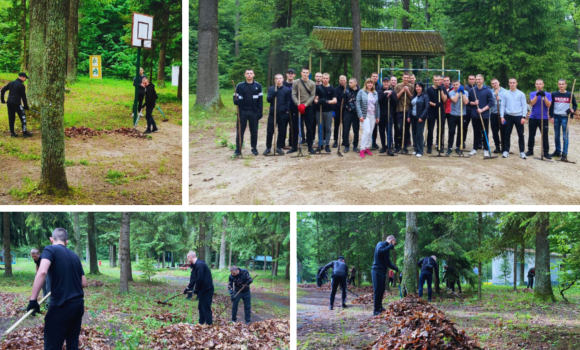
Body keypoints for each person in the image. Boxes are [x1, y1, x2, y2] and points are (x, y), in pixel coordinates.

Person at [27, 228, 87, 350]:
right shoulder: (75, 256)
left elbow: (42, 271)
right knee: (72, 345)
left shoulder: (50, 249)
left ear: (51, 239)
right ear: (67, 241)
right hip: (78, 306)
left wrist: (33, 300)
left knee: (52, 346)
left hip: (61, 305)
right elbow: (84, 283)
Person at [233, 69, 263, 156]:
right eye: (247, 73)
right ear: (245, 75)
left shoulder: (258, 86)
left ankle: (254, 148)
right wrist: (236, 101)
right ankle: (238, 149)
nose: (249, 75)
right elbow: (235, 96)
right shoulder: (240, 86)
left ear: (253, 75)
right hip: (242, 112)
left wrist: (260, 112)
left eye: (251, 73)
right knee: (240, 131)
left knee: (254, 131)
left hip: (254, 112)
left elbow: (260, 100)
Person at [549, 79, 577, 161]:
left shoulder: (570, 94)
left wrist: (572, 112)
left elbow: (574, 105)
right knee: (557, 135)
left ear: (565, 85)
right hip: (556, 116)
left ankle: (564, 153)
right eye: (560, 84)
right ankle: (558, 151)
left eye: (562, 84)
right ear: (558, 85)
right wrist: (551, 116)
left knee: (565, 136)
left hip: (565, 117)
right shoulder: (554, 94)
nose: (561, 86)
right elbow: (551, 106)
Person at [184, 251, 214, 325]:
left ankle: (209, 325)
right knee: (201, 307)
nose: (188, 259)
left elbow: (200, 279)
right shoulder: (195, 265)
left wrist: (196, 289)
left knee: (206, 308)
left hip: (207, 290)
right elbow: (194, 279)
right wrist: (188, 288)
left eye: (188, 258)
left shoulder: (200, 264)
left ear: (191, 257)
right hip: (202, 290)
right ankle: (201, 323)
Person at [500, 78, 528, 159]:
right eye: (510, 83)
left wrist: (523, 117)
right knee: (507, 134)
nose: (512, 84)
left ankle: (522, 152)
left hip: (518, 116)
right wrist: (502, 116)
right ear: (509, 84)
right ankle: (506, 151)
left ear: (516, 83)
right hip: (508, 116)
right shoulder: (506, 94)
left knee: (520, 134)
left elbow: (524, 106)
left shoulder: (521, 94)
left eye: (513, 83)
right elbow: (502, 105)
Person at [264, 74, 291, 155]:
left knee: (282, 131)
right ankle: (268, 148)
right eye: (277, 79)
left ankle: (279, 147)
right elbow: (268, 100)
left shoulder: (286, 89)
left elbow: (288, 101)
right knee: (270, 131)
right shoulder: (272, 89)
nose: (279, 80)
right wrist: (273, 95)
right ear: (275, 80)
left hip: (282, 113)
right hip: (273, 113)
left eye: (280, 78)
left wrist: (287, 111)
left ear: (283, 79)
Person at [468, 74, 494, 157]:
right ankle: (475, 148)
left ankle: (486, 149)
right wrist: (473, 103)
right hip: (475, 115)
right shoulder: (472, 90)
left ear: (482, 80)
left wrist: (482, 109)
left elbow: (491, 102)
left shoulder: (488, 90)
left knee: (485, 132)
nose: (478, 81)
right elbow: (468, 102)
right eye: (477, 79)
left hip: (484, 115)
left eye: (479, 79)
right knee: (476, 133)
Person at [371, 235, 398, 315]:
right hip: (376, 271)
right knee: (377, 290)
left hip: (382, 271)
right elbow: (379, 252)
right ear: (391, 240)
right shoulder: (380, 244)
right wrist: (390, 246)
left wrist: (395, 268)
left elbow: (388, 262)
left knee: (382, 290)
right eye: (394, 243)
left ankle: (380, 306)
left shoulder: (387, 250)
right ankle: (375, 310)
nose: (394, 246)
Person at [292, 67, 317, 154]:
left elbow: (312, 96)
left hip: (308, 107)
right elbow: (293, 94)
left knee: (309, 127)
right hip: (298, 106)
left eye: (307, 73)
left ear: (309, 74)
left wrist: (305, 105)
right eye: (304, 72)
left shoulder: (312, 83)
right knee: (296, 127)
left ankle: (310, 146)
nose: (305, 74)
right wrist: (298, 104)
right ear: (301, 73)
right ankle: (294, 146)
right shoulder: (296, 82)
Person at [1, 72, 32, 137]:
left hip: (9, 103)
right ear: (22, 77)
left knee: (11, 118)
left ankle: (12, 133)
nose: (25, 80)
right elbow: (23, 97)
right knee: (23, 117)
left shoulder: (11, 83)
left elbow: (3, 90)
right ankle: (25, 133)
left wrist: (2, 100)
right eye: (25, 78)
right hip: (17, 104)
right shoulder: (21, 85)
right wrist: (26, 106)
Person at [527, 79, 552, 158]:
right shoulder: (532, 93)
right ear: (535, 85)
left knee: (544, 135)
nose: (538, 85)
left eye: (540, 84)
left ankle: (546, 152)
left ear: (543, 85)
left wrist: (544, 96)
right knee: (531, 134)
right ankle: (530, 150)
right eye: (537, 84)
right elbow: (532, 103)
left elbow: (548, 105)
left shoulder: (548, 94)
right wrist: (537, 95)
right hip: (533, 117)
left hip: (543, 118)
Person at [356, 78, 380, 158]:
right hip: (365, 115)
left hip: (373, 115)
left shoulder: (375, 93)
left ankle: (367, 147)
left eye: (371, 83)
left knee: (370, 133)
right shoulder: (361, 92)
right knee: (366, 131)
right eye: (368, 83)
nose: (370, 84)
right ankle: (362, 149)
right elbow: (358, 104)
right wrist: (360, 115)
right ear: (366, 84)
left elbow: (377, 105)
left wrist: (377, 116)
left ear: (373, 84)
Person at [314, 73, 337, 152]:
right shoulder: (318, 88)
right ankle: (320, 144)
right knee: (320, 128)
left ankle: (327, 144)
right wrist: (318, 102)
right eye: (324, 78)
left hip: (328, 111)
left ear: (329, 79)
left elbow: (334, 100)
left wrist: (326, 101)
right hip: (319, 111)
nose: (325, 80)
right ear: (322, 79)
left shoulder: (332, 89)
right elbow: (315, 99)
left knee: (328, 128)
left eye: (327, 78)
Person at [426, 75, 448, 154]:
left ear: (440, 80)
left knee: (440, 129)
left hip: (440, 112)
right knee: (430, 129)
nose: (437, 81)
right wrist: (435, 104)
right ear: (433, 80)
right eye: (435, 80)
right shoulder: (429, 89)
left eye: (438, 80)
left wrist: (441, 90)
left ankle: (439, 145)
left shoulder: (443, 88)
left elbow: (445, 99)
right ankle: (429, 146)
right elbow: (427, 100)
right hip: (432, 111)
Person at [447, 81, 469, 155]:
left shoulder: (465, 92)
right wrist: (458, 92)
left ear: (460, 85)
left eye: (457, 84)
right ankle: (450, 147)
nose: (455, 86)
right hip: (453, 115)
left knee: (460, 132)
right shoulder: (451, 92)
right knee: (451, 131)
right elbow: (455, 100)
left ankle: (457, 147)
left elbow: (466, 102)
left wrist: (462, 93)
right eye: (454, 85)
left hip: (462, 114)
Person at [394, 73, 414, 152]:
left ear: (409, 78)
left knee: (406, 129)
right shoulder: (397, 86)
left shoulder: (412, 86)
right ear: (402, 77)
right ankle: (398, 144)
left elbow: (413, 97)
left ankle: (404, 145)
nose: (406, 79)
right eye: (404, 77)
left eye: (407, 78)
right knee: (399, 128)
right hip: (399, 110)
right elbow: (395, 97)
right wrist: (402, 90)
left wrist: (408, 91)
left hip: (407, 110)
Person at [378, 77, 397, 156]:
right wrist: (385, 93)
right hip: (381, 115)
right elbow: (380, 101)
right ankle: (383, 146)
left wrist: (391, 95)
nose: (386, 83)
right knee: (382, 131)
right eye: (384, 82)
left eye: (387, 82)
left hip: (389, 115)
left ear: (389, 83)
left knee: (389, 131)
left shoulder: (393, 92)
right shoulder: (379, 91)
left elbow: (395, 102)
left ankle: (389, 147)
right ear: (382, 83)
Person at [410, 82, 429, 158]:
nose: (418, 88)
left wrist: (422, 117)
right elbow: (411, 107)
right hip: (413, 117)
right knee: (414, 133)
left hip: (420, 118)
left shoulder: (425, 96)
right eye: (416, 87)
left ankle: (420, 151)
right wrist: (409, 116)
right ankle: (416, 148)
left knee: (419, 134)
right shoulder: (414, 96)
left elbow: (427, 107)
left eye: (419, 87)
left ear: (422, 88)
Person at [490, 79, 508, 154]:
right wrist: (494, 95)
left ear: (499, 83)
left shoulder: (505, 91)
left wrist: (500, 99)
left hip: (503, 115)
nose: (495, 84)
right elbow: (489, 102)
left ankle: (504, 147)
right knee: (494, 132)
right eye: (493, 83)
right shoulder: (490, 92)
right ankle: (497, 146)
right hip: (494, 114)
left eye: (496, 83)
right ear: (491, 85)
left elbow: (507, 102)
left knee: (504, 131)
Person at [342, 78, 360, 153]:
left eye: (351, 82)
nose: (349, 83)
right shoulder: (346, 91)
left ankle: (355, 146)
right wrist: (347, 107)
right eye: (349, 82)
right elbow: (343, 103)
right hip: (348, 112)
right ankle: (346, 145)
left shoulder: (360, 91)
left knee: (356, 130)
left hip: (356, 113)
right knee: (346, 129)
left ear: (355, 83)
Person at [459, 75, 476, 150]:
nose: (471, 80)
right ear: (468, 80)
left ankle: (478, 143)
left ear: (475, 80)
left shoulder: (477, 88)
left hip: (475, 110)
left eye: (473, 79)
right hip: (466, 110)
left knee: (476, 127)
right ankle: (462, 141)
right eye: (470, 79)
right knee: (464, 127)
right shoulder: (464, 88)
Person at [283, 69, 298, 152]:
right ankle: (282, 142)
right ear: (286, 74)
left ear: (294, 75)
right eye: (289, 74)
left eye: (292, 74)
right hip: (284, 108)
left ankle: (292, 142)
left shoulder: (296, 84)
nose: (290, 75)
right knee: (283, 126)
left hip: (294, 107)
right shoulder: (283, 83)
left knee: (293, 125)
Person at [333, 75, 348, 148]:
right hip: (338, 109)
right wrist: (339, 107)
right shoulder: (336, 89)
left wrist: (345, 106)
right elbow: (335, 100)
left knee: (345, 126)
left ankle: (344, 140)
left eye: (344, 80)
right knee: (336, 126)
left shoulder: (347, 89)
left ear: (346, 81)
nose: (342, 81)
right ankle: (335, 140)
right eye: (341, 80)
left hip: (346, 110)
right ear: (339, 81)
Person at [371, 72, 383, 150]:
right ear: (371, 77)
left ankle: (382, 144)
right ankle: (373, 142)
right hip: (371, 110)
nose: (375, 78)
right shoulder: (368, 86)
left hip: (380, 109)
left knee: (380, 128)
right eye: (373, 76)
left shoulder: (380, 87)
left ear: (378, 78)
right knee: (373, 129)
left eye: (376, 76)